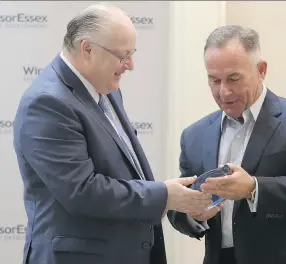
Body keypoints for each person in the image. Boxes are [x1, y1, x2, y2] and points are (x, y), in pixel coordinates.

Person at [13, 3, 212, 264]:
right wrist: (164, 196)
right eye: (123, 55)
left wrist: (177, 198)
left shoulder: (105, 87)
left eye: (132, 53)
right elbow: (82, 191)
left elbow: (122, 170)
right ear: (87, 49)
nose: (130, 65)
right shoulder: (48, 103)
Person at [168, 25, 286, 264]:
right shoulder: (194, 135)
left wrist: (253, 188)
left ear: (261, 70)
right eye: (214, 80)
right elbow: (179, 207)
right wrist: (195, 214)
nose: (224, 92)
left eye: (234, 79)